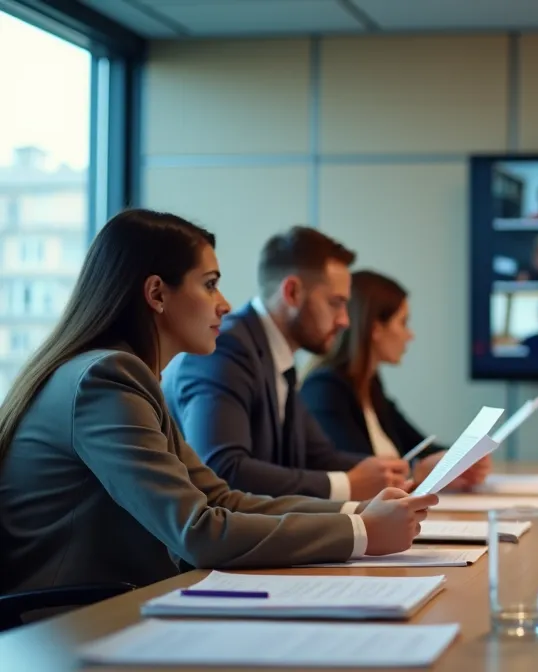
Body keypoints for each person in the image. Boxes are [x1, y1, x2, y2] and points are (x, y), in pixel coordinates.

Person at [0, 210, 435, 594]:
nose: (225, 304)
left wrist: (362, 512)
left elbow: (223, 499)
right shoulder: (108, 379)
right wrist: (360, 531)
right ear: (156, 294)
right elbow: (198, 531)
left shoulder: (125, 376)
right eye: (210, 285)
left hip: (112, 607)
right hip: (70, 626)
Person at [163, 227, 409, 500]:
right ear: (292, 292)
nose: (344, 320)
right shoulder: (225, 349)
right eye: (335, 303)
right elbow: (222, 469)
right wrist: (346, 485)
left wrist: (396, 474)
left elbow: (318, 456)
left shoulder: (275, 356)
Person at [301, 271, 491, 489]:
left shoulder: (369, 385)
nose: (410, 335)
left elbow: (420, 445)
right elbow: (361, 475)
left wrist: (463, 458)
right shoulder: (325, 390)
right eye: (403, 323)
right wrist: (418, 471)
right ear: (376, 329)